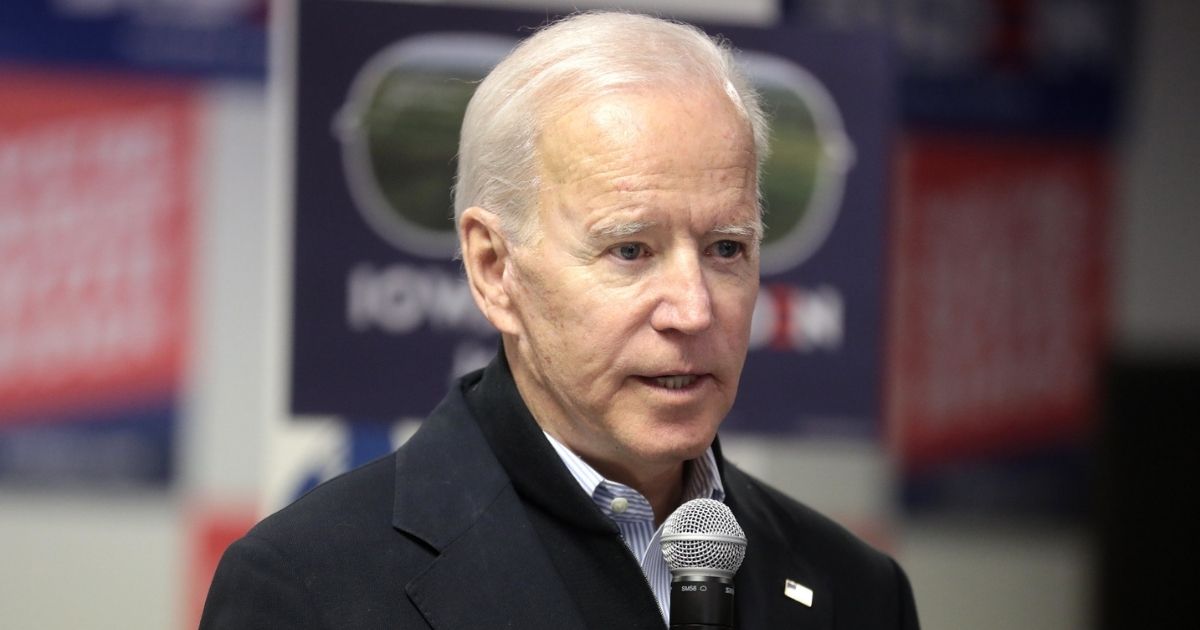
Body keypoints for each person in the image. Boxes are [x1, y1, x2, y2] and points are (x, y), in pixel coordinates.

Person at [201, 11, 919, 629]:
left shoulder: (856, 592)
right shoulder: (310, 588)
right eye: (630, 250)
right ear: (494, 270)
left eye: (727, 248)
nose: (694, 310)